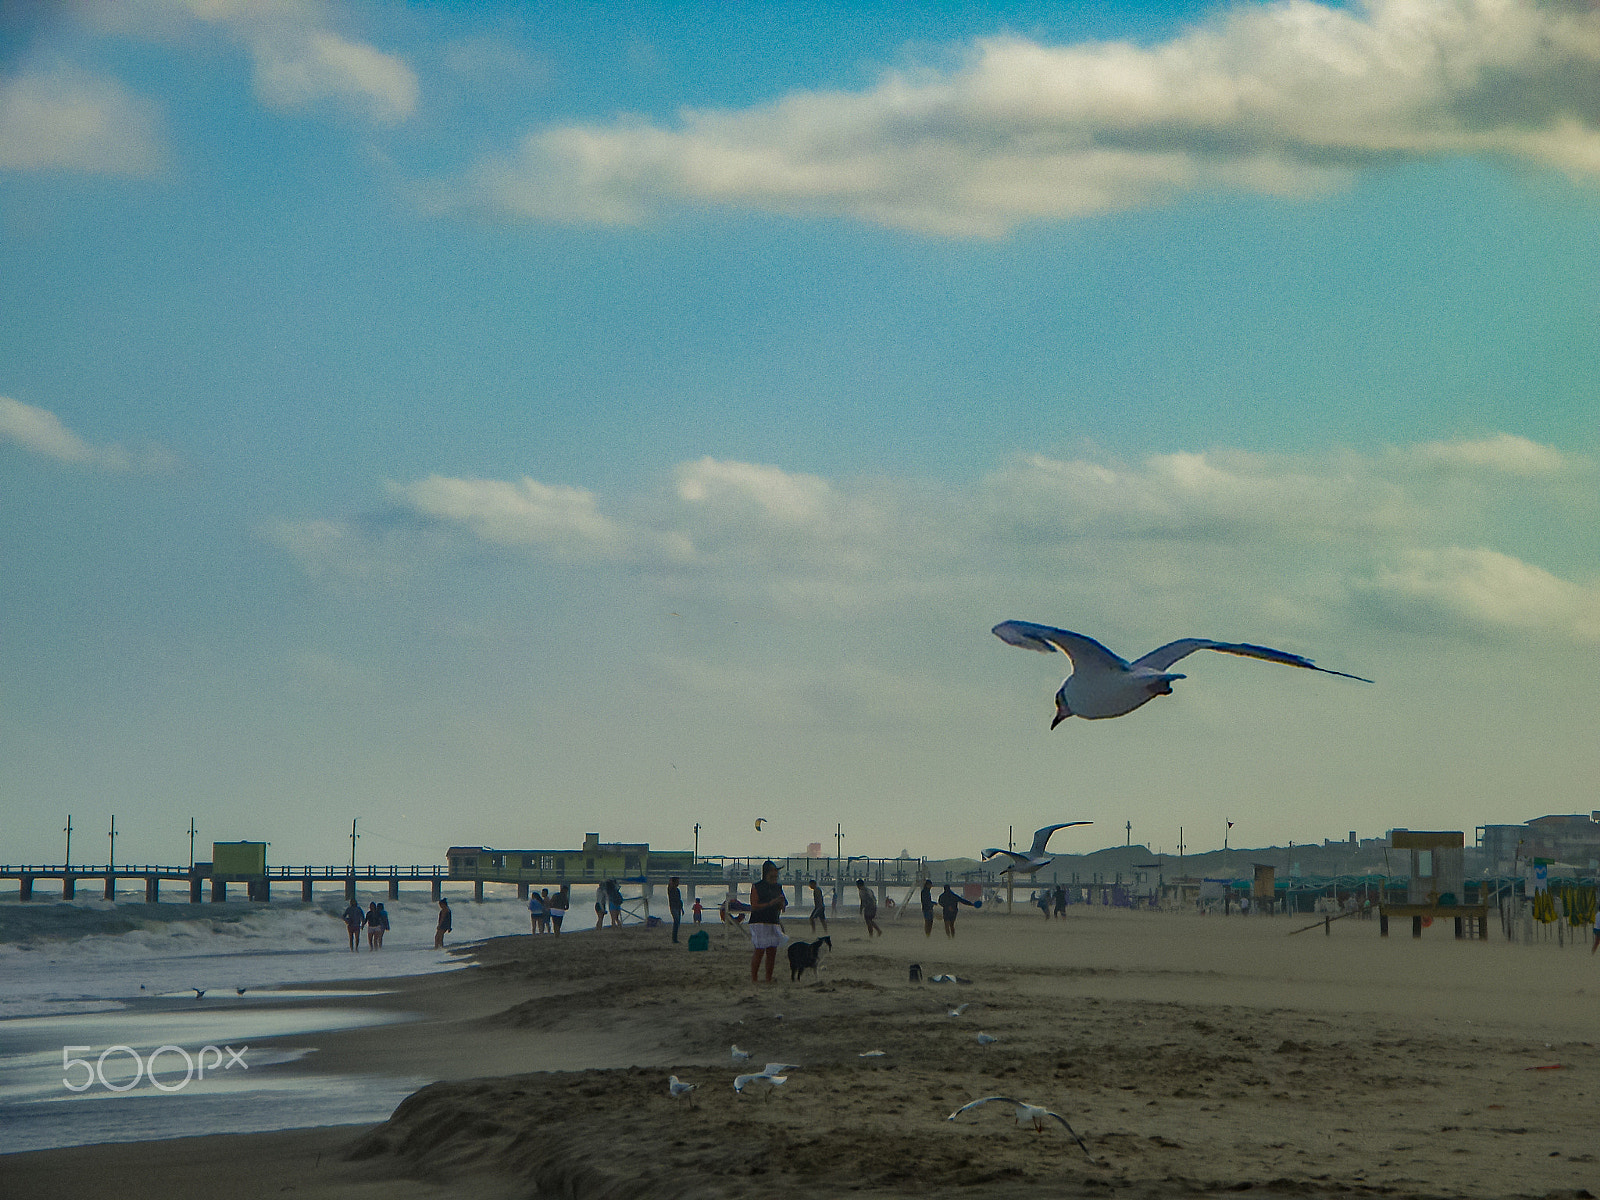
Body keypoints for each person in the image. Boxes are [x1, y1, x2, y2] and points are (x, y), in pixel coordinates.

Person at [748, 860, 787, 983]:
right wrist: (771, 903)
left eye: (776, 873)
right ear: (767, 872)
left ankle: (768, 979)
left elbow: (783, 905)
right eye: (773, 872)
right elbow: (754, 905)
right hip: (759, 921)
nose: (776, 875)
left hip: (773, 920)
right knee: (759, 950)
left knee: (772, 952)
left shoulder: (778, 887)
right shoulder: (757, 886)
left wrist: (781, 904)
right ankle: (754, 979)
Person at [667, 876, 685, 944]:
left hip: (678, 907)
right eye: (677, 881)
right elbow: (670, 885)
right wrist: (671, 880)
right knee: (676, 921)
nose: (678, 883)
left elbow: (679, 900)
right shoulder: (671, 889)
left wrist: (682, 909)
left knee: (677, 923)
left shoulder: (677, 890)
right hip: (673, 907)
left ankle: (675, 938)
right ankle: (674, 939)